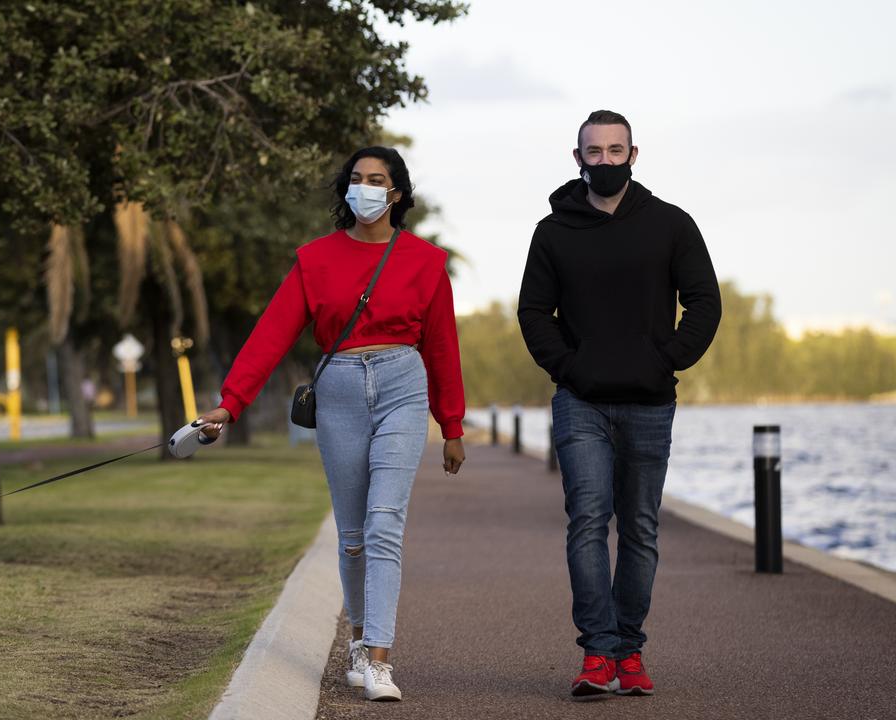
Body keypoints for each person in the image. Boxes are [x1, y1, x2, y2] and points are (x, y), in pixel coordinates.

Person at [197, 146, 465, 702]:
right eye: (356, 179)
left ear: (396, 193)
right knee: (351, 536)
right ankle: (362, 642)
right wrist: (231, 403)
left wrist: (453, 425)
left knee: (384, 521)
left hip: (402, 385)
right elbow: (271, 334)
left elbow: (442, 346)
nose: (364, 188)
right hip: (339, 388)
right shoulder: (315, 259)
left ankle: (381, 661)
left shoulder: (424, 261)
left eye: (377, 180)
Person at [517, 110, 721, 698]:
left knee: (639, 528)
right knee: (586, 522)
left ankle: (629, 652)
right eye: (593, 152)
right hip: (580, 401)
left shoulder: (671, 224)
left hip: (651, 402)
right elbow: (534, 313)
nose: (604, 161)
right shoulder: (552, 232)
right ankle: (597, 655)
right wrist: (570, 366)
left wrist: (668, 359)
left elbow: (704, 302)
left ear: (634, 154)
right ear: (576, 157)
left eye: (615, 151)